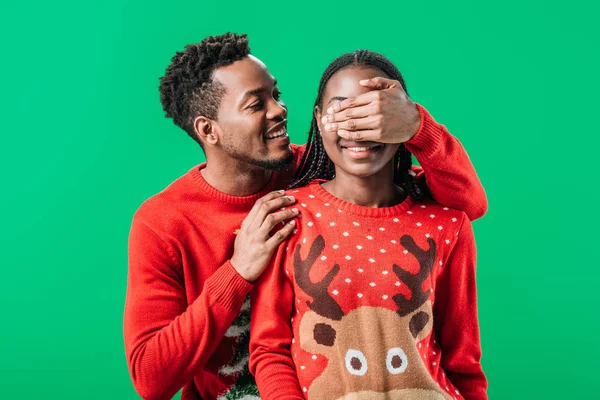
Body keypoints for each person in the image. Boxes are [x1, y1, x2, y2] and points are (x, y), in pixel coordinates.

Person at [124, 33, 487, 400]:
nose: (279, 110)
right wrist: (237, 272)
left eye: (276, 95)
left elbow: (466, 205)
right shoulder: (163, 223)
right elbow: (151, 379)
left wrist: (417, 127)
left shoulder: (322, 169)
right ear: (208, 129)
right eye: (255, 104)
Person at [249, 50, 487, 400]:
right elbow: (269, 350)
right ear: (318, 118)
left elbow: (462, 359)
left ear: (402, 120)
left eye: (375, 112)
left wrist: (420, 126)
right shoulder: (288, 215)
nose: (357, 128)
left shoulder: (447, 224)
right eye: (341, 110)